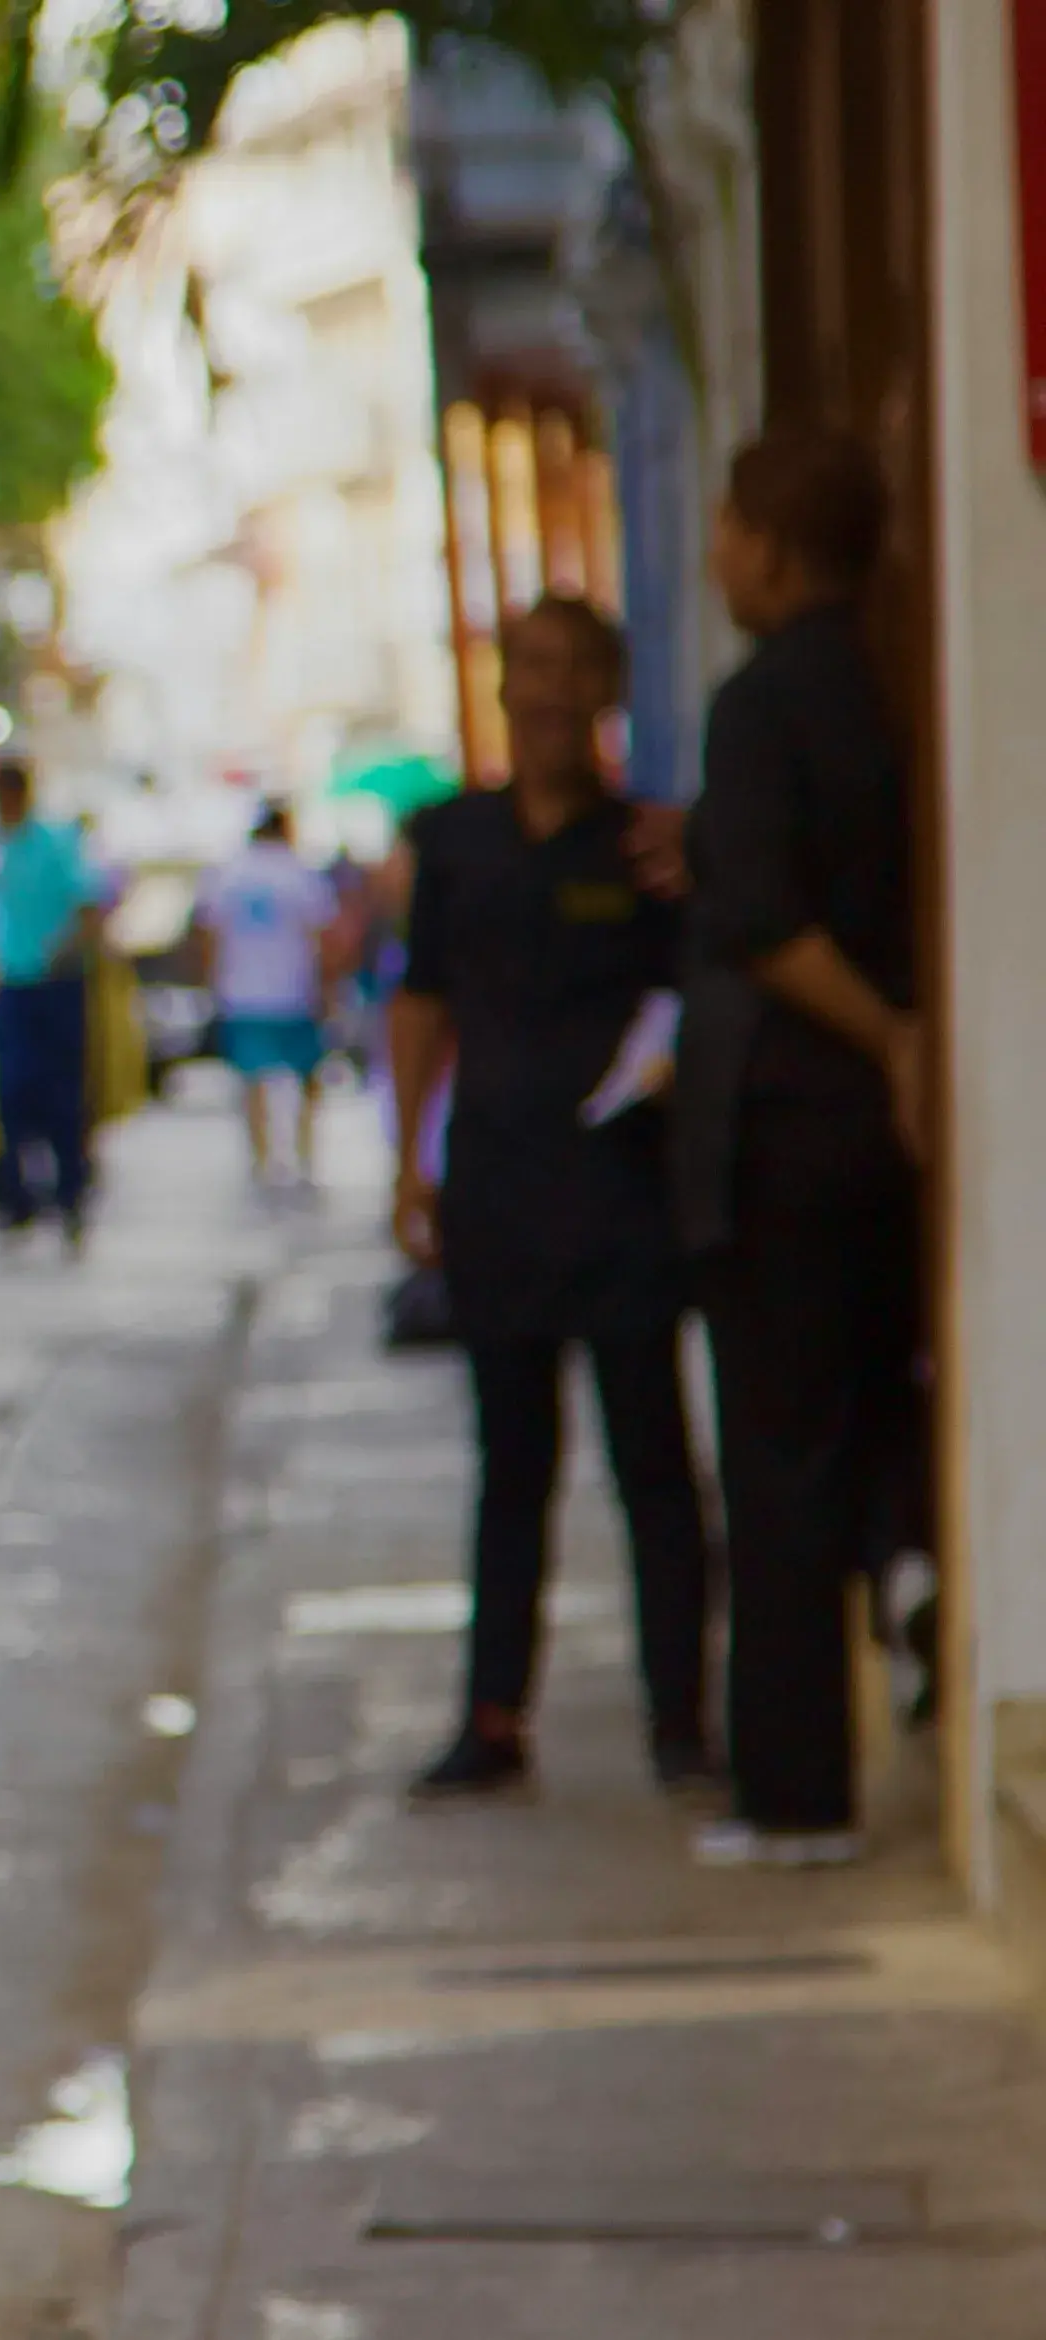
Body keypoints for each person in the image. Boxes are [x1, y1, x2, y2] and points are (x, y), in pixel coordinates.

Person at [384, 600, 719, 1803]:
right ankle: (490, 1717)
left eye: (571, 670)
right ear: (500, 684)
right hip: (495, 1192)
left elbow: (698, 996)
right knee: (508, 1467)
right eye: (528, 667)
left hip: (621, 1200)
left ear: (605, 692)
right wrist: (406, 1161)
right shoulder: (453, 842)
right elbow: (418, 1003)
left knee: (653, 1471)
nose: (546, 692)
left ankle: (679, 1721)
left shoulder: (647, 848)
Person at [675, 425, 925, 1869]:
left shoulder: (764, 701)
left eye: (727, 528)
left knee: (776, 1455)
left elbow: (769, 925)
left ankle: (794, 1792)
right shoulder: (869, 687)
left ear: (771, 542)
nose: (716, 554)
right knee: (849, 1423)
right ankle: (912, 1601)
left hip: (781, 1122)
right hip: (853, 1130)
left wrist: (883, 1031)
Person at [0, 763, 105, 1249]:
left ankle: (70, 1192)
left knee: (62, 1095)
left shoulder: (55, 845)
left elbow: (89, 909)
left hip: (54, 983)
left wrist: (59, 955)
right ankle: (18, 1196)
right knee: (11, 1094)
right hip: (12, 983)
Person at [196, 799, 345, 1193]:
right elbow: (322, 936)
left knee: (252, 1081)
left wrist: (214, 984)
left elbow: (211, 935)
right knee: (306, 1080)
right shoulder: (300, 873)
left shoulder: (228, 874)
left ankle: (262, 1160)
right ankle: (304, 1155)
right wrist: (328, 987)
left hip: (242, 992)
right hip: (295, 990)